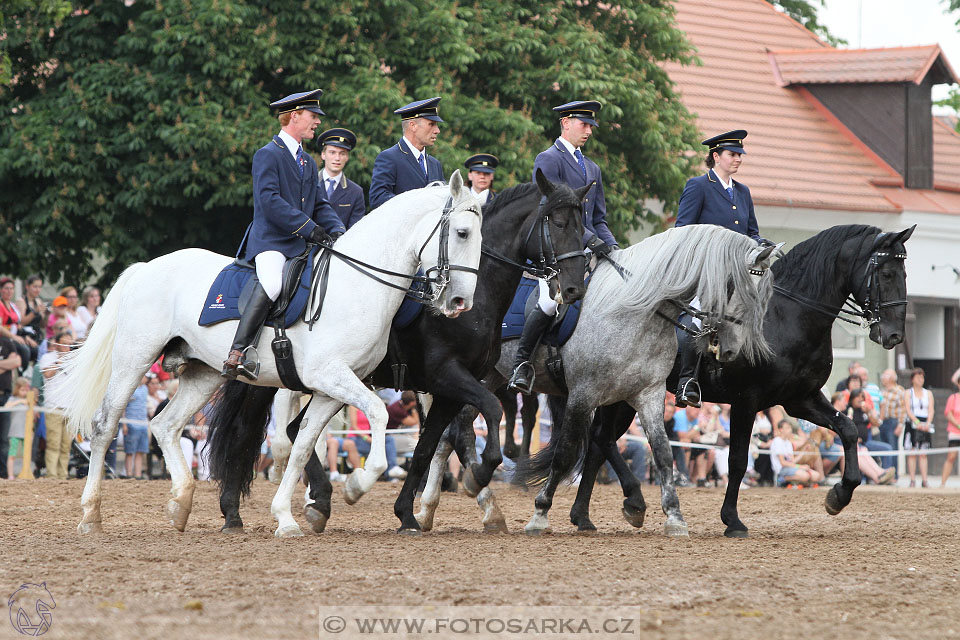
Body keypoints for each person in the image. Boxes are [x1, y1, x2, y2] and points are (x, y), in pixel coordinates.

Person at [223, 89, 346, 380]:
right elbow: (269, 201)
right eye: (312, 117)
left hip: (299, 241)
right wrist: (308, 227)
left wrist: (338, 230)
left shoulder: (306, 160)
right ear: (294, 116)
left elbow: (320, 204)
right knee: (273, 284)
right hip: (272, 241)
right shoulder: (267, 154)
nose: (317, 122)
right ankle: (237, 352)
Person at [508, 100, 617, 393]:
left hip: (588, 252)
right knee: (548, 302)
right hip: (555, 253)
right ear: (566, 123)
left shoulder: (592, 168)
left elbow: (599, 219)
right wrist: (587, 240)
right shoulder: (549, 159)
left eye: (591, 126)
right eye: (584, 125)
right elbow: (552, 214)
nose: (589, 131)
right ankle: (522, 363)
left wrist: (612, 247)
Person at [673, 129, 762, 408]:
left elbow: (751, 232)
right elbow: (683, 231)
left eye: (740, 155)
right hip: (705, 272)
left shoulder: (743, 192)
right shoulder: (699, 185)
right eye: (732, 155)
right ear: (716, 156)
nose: (738, 159)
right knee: (700, 316)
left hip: (737, 274)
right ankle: (687, 380)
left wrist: (762, 245)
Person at [369, 97, 445, 209]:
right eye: (431, 124)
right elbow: (378, 198)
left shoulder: (435, 164)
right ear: (413, 125)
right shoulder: (389, 158)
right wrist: (414, 205)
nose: (437, 130)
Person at [38, 331, 74, 479]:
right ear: (57, 343)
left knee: (66, 445)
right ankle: (52, 475)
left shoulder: (75, 359)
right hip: (53, 406)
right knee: (53, 443)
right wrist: (59, 361)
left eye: (69, 344)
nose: (67, 347)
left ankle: (63, 475)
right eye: (64, 343)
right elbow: (47, 374)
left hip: (70, 407)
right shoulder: (47, 357)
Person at [316, 128, 366, 229]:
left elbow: (355, 231)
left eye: (342, 153)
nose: (337, 158)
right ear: (323, 155)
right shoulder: (309, 184)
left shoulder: (355, 192)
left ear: (347, 157)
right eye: (332, 152)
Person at [845, 388, 894, 471]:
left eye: (862, 397)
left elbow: (876, 423)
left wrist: (869, 412)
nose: (861, 399)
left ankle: (886, 472)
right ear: (852, 398)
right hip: (856, 443)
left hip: (866, 442)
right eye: (858, 397)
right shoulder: (848, 410)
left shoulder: (864, 410)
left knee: (887, 448)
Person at [904, 367, 934, 487]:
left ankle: (924, 480)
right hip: (913, 422)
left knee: (923, 453)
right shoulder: (908, 392)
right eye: (918, 377)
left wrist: (927, 423)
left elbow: (931, 409)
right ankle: (912, 479)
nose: (920, 379)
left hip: (925, 422)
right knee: (912, 452)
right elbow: (908, 408)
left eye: (922, 377)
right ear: (912, 379)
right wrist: (916, 422)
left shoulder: (928, 393)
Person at [769, 419, 822, 487]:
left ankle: (797, 483)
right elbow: (783, 463)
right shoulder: (777, 441)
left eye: (790, 427)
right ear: (781, 429)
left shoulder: (788, 442)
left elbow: (792, 461)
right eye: (787, 428)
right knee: (805, 476)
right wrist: (800, 467)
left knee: (816, 476)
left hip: (790, 467)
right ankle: (782, 479)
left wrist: (804, 451)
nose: (790, 430)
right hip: (781, 470)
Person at [0, 277, 35, 366]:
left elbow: (17, 324)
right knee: (24, 350)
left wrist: (25, 336)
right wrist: (14, 337)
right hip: (5, 338)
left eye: (11, 288)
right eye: (6, 288)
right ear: (1, 290)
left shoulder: (13, 305)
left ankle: (27, 372)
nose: (9, 291)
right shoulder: (1, 305)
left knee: (34, 349)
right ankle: (21, 374)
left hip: (14, 335)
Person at [122, 375, 150, 479]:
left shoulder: (145, 389)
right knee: (130, 451)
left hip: (143, 423)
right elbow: (124, 407)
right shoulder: (129, 389)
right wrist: (124, 424)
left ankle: (138, 475)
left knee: (140, 451)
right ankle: (129, 474)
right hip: (131, 423)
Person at [5, 378, 33, 479]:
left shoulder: (29, 400)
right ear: (17, 389)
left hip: (26, 432)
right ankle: (11, 475)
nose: (24, 392)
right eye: (22, 390)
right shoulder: (13, 399)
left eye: (26, 390)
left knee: (26, 455)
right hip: (14, 432)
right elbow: (7, 406)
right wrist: (19, 401)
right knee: (12, 454)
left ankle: (25, 472)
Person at [878, 368, 906, 451]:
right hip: (882, 421)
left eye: (884, 375)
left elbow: (903, 409)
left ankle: (893, 464)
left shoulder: (899, 391)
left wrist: (900, 425)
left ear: (891, 378)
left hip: (893, 422)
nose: (882, 378)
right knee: (883, 446)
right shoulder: (882, 391)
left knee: (892, 446)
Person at [15, 275, 47, 346]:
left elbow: (42, 325)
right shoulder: (21, 301)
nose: (38, 290)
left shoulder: (38, 301)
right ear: (27, 287)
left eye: (39, 287)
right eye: (35, 287)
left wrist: (47, 314)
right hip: (26, 335)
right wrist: (34, 312)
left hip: (37, 335)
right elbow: (21, 322)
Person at [942, 367, 960, 487]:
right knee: (951, 457)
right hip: (954, 431)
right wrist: (958, 425)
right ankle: (942, 483)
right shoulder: (953, 398)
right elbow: (948, 414)